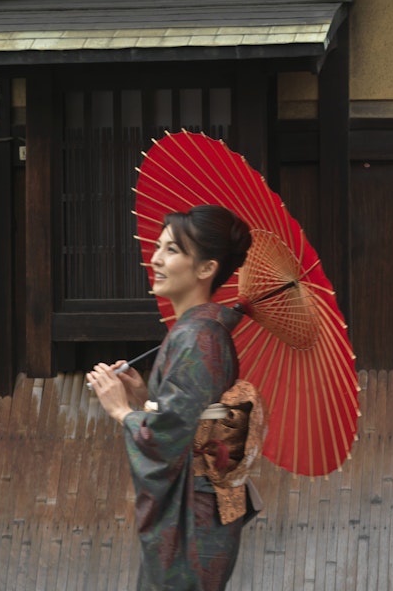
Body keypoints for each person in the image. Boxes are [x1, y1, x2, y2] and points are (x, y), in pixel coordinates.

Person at [87, 204, 259, 590]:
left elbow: (171, 435)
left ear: (205, 268)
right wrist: (146, 395)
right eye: (159, 247)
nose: (156, 259)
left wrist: (123, 411)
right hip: (199, 510)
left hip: (192, 520)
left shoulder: (199, 336)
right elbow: (187, 414)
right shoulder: (196, 331)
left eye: (172, 250)